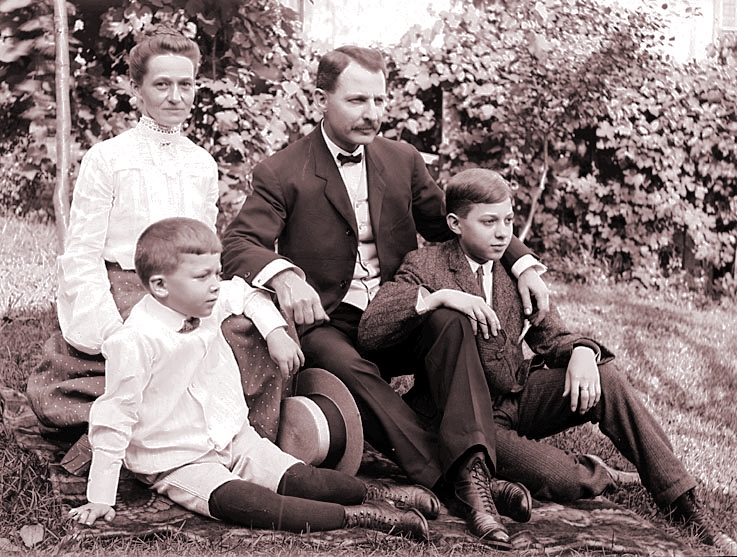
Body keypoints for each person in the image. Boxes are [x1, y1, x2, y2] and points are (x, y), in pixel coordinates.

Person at [221, 45, 547, 548]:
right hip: (329, 320)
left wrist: (520, 261)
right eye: (356, 100)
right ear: (321, 99)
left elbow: (455, 224)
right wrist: (285, 277)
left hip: (397, 310)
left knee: (453, 322)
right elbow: (239, 244)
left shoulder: (402, 159)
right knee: (347, 368)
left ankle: (473, 471)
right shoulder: (282, 171)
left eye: (379, 99)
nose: (372, 113)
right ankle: (462, 482)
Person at [358, 168, 737, 555]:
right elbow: (371, 330)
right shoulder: (426, 265)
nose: (502, 233)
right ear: (455, 224)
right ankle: (598, 473)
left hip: (516, 395)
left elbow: (554, 337)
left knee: (605, 376)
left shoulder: (515, 272)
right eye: (489, 222)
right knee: (561, 480)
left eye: (508, 220)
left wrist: (582, 352)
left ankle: (685, 504)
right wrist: (436, 297)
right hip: (464, 422)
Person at [67, 217, 438, 540]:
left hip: (232, 435)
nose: (215, 284)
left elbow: (245, 293)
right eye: (202, 277)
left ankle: (377, 494)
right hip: (176, 457)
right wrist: (100, 495)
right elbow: (114, 417)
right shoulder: (133, 341)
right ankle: (359, 517)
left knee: (301, 478)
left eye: (216, 273)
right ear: (161, 286)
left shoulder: (204, 300)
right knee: (246, 502)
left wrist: (276, 331)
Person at [26, 30, 288, 449]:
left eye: (185, 85)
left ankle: (241, 446)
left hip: (185, 285)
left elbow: (203, 249)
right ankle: (155, 438)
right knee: (159, 346)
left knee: (245, 332)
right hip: (125, 286)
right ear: (137, 88)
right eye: (161, 84)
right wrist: (111, 329)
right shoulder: (108, 158)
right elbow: (83, 254)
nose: (175, 97)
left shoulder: (201, 163)